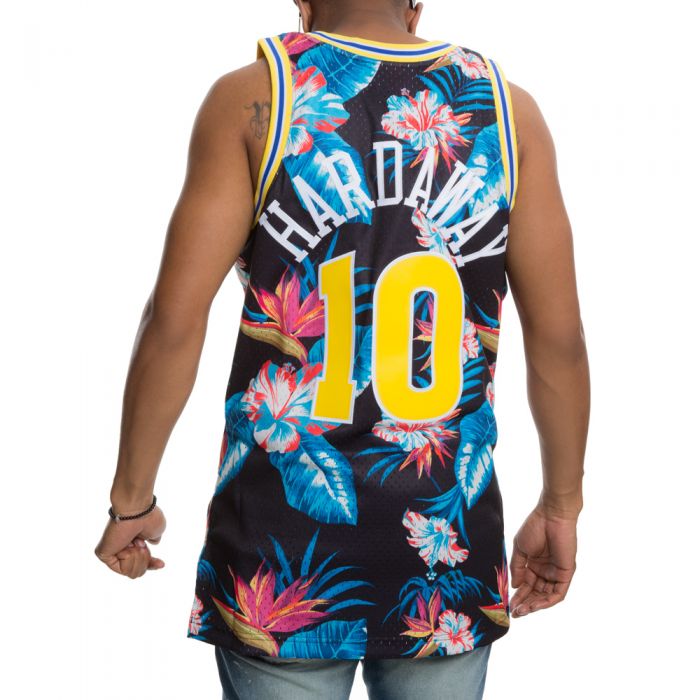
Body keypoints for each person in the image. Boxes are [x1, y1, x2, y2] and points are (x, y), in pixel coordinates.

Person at [94, 0, 590, 697]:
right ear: (415, 5)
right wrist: (561, 505)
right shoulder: (508, 114)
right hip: (443, 555)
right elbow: (559, 340)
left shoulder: (257, 100)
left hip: (282, 558)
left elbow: (172, 322)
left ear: (302, 0)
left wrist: (131, 501)